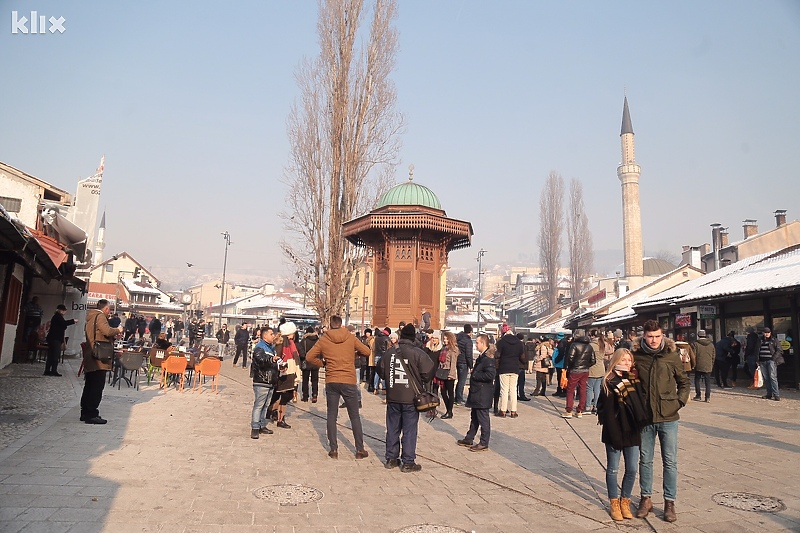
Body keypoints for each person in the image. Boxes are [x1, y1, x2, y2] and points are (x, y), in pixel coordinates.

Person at [632, 320, 690, 523]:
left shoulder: (671, 356)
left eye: (658, 336)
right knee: (645, 460)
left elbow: (684, 382)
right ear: (644, 336)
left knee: (670, 461)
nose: (654, 340)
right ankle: (645, 499)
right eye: (650, 336)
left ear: (662, 335)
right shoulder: (637, 357)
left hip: (668, 416)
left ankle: (669, 502)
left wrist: (679, 402)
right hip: (646, 417)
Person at [305, 315, 371, 459]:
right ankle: (360, 449)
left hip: (332, 380)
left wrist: (322, 364)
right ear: (341, 325)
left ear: (330, 325)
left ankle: (333, 449)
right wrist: (354, 354)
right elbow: (367, 352)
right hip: (348, 380)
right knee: (354, 416)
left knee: (331, 415)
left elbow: (309, 357)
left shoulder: (324, 339)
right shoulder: (350, 337)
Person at [596, 348, 649, 521]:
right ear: (616, 360)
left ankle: (625, 501)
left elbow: (641, 403)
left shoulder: (634, 380)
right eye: (624, 360)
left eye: (629, 360)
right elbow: (608, 413)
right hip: (615, 431)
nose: (627, 363)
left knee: (632, 468)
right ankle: (614, 502)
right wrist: (614, 435)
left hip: (632, 430)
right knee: (613, 469)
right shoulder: (609, 382)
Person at [377, 323, 435, 472]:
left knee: (392, 428)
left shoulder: (389, 352)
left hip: (393, 397)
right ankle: (408, 462)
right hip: (411, 398)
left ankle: (391, 459)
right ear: (413, 337)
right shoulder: (418, 353)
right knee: (409, 430)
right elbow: (429, 371)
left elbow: (381, 371)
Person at [82, 299, 123, 425]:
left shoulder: (91, 317)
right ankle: (92, 414)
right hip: (99, 357)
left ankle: (85, 412)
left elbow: (99, 333)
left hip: (91, 354)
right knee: (96, 386)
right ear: (106, 309)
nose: (109, 312)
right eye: (109, 309)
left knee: (89, 384)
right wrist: (118, 330)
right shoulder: (100, 317)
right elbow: (107, 331)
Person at [456, 334, 496, 452]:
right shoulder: (482, 357)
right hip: (477, 392)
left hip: (483, 393)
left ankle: (484, 442)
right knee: (474, 417)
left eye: (477, 343)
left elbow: (490, 375)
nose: (476, 345)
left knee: (483, 418)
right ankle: (469, 438)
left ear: (483, 343)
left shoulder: (488, 358)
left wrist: (475, 375)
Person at [269, 322, 301, 429]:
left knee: (287, 395)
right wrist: (282, 367)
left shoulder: (290, 342)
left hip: (291, 372)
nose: (294, 335)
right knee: (284, 396)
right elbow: (277, 357)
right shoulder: (282, 342)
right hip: (284, 373)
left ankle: (274, 412)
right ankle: (279, 417)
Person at [250, 326, 279, 438]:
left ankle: (262, 425)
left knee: (266, 405)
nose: (273, 336)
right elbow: (260, 360)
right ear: (265, 335)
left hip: (270, 381)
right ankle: (255, 427)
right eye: (271, 334)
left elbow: (272, 364)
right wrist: (271, 359)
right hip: (261, 380)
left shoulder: (271, 348)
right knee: (259, 405)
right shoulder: (260, 347)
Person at [562, 329, 595, 419]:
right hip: (585, 371)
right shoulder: (589, 346)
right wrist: (586, 365)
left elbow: (570, 358)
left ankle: (569, 411)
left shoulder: (574, 345)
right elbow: (593, 360)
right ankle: (580, 410)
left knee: (570, 390)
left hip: (575, 370)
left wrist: (572, 366)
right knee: (583, 389)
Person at [495, 324, 524, 418]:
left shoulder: (501, 342)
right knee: (513, 389)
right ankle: (513, 411)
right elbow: (523, 357)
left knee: (504, 390)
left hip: (504, 367)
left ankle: (503, 410)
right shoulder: (519, 343)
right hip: (515, 368)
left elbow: (497, 355)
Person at [44, 304, 77, 376]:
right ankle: (53, 371)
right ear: (60, 310)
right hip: (55, 339)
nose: (65, 312)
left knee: (51, 355)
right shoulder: (58, 317)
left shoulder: (56, 317)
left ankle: (48, 370)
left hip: (53, 338)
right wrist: (73, 321)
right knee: (55, 355)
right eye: (64, 310)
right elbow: (63, 324)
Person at [436, 331, 459, 419]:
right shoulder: (444, 348)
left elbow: (453, 363)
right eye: (444, 339)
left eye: (446, 339)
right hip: (442, 372)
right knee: (443, 392)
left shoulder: (453, 349)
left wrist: (451, 375)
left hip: (449, 373)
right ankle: (448, 410)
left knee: (450, 392)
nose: (445, 340)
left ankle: (449, 411)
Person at [758, 327, 783, 401]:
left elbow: (779, 350)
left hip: (771, 361)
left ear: (770, 333)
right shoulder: (760, 340)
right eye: (765, 332)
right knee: (766, 378)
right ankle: (769, 394)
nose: (767, 334)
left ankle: (776, 394)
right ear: (763, 333)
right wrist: (757, 360)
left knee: (772, 377)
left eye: (768, 332)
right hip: (762, 361)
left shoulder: (774, 340)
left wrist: (773, 358)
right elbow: (756, 350)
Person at [690, 330, 715, 402]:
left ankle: (698, 395)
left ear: (698, 335)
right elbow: (713, 356)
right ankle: (707, 397)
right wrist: (711, 364)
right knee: (708, 382)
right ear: (705, 335)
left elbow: (693, 355)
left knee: (697, 380)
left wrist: (693, 365)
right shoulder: (711, 344)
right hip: (708, 365)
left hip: (699, 365)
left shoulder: (696, 344)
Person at [586, 330, 606, 415]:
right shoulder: (602, 344)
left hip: (592, 368)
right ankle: (596, 406)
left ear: (593, 336)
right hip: (601, 368)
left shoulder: (591, 345)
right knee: (597, 388)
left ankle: (587, 406)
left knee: (589, 388)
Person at [298, 326, 320, 402]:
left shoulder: (304, 340)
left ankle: (305, 396)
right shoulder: (318, 340)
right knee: (315, 379)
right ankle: (314, 395)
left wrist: (303, 357)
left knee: (305, 380)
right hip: (315, 362)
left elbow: (300, 350)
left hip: (306, 362)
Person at [455, 324, 474, 405]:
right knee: (462, 381)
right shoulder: (468, 341)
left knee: (459, 380)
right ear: (470, 332)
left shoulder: (458, 338)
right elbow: (468, 354)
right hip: (464, 362)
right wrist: (471, 366)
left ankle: (457, 397)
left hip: (458, 361)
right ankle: (458, 399)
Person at [517, 333, 532, 402]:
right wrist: (525, 362)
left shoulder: (514, 344)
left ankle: (516, 394)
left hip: (515, 365)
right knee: (521, 382)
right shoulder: (522, 345)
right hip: (521, 366)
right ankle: (522, 395)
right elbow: (523, 356)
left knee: (516, 383)